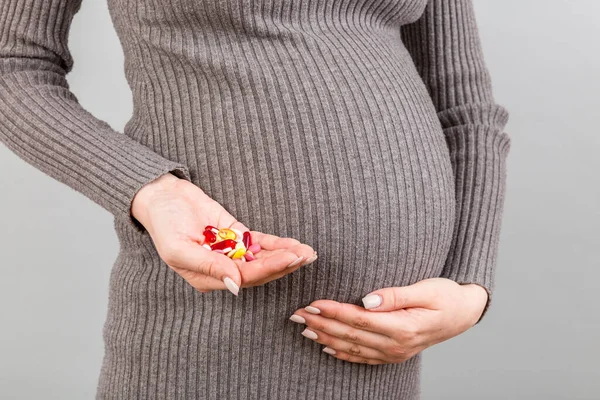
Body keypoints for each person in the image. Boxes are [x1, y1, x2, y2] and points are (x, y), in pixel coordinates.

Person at [0, 0, 510, 398]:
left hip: (381, 353)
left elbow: (466, 110)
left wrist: (469, 285)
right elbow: (12, 66)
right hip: (210, 330)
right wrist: (147, 188)